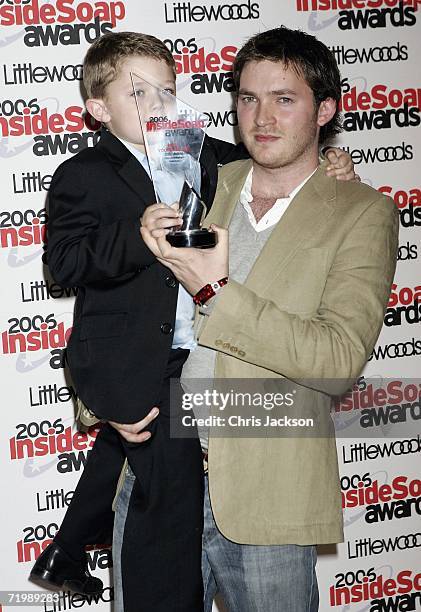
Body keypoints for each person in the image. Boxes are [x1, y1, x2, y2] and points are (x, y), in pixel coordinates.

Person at [29, 30, 356, 611]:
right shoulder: (85, 173)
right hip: (128, 355)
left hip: (189, 351)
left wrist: (329, 161)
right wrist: (135, 238)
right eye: (140, 94)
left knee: (157, 458)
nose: (160, 106)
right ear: (98, 109)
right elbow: (63, 264)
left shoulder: (199, 150)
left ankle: (69, 551)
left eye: (168, 91)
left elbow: (270, 160)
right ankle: (101, 562)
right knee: (165, 495)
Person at [138, 26, 399, 612]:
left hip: (268, 490)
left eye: (285, 99)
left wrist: (216, 292)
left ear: (325, 109)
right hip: (161, 473)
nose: (262, 117)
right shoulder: (207, 180)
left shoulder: (361, 212)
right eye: (249, 98)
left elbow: (336, 359)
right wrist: (108, 398)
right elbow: (139, 305)